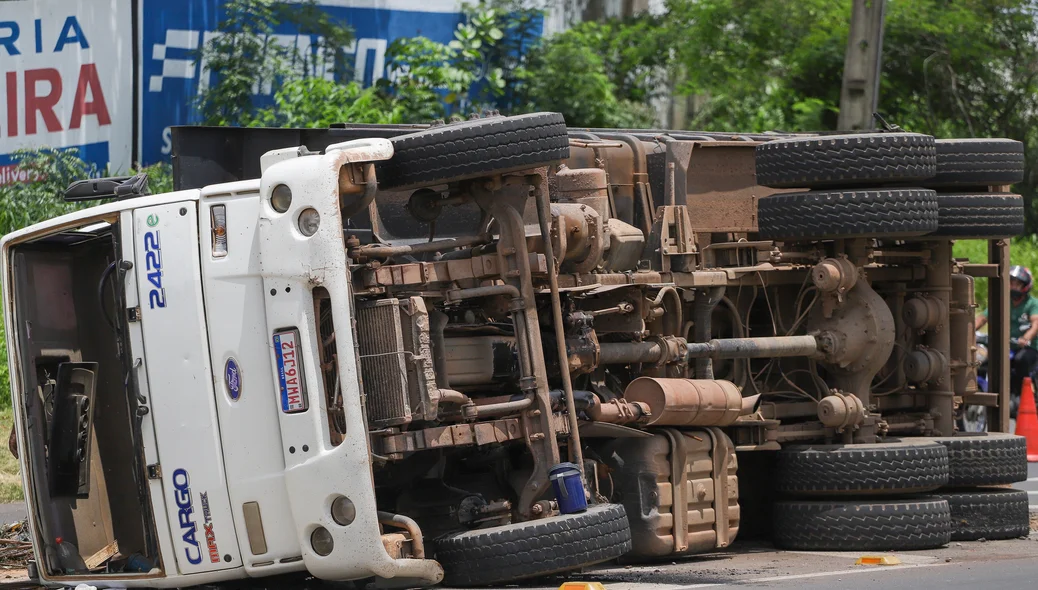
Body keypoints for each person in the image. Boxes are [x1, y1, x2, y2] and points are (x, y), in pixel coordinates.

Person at [977, 265, 1038, 413]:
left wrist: (1026, 338)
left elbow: (1036, 322)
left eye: (1017, 283)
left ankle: (1021, 392)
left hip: (1027, 347)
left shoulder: (1032, 303)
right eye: (1011, 282)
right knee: (985, 360)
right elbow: (982, 318)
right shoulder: (1001, 300)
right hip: (1005, 345)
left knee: (1020, 360)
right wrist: (968, 331)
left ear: (1025, 286)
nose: (1013, 286)